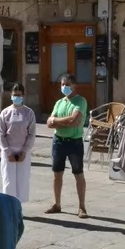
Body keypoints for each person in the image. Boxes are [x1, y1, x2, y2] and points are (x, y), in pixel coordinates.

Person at [45, 73, 88, 218]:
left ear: (74, 86)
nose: (64, 87)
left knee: (78, 174)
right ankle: (57, 204)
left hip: (74, 142)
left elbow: (74, 121)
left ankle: (82, 207)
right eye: (63, 84)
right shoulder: (59, 102)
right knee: (57, 174)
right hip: (58, 142)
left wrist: (56, 121)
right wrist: (63, 121)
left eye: (67, 84)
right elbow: (49, 123)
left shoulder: (80, 101)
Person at [0, 83, 36, 203]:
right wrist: (7, 152)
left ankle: (18, 206)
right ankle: (8, 205)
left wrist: (25, 151)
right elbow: (1, 134)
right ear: (11, 95)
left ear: (23, 96)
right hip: (8, 150)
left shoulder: (29, 113)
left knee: (22, 180)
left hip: (23, 150)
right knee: (8, 179)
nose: (17, 97)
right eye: (15, 95)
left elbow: (31, 134)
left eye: (19, 95)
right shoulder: (5, 113)